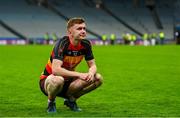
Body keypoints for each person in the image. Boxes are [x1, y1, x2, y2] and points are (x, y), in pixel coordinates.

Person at [39, 17, 103, 113]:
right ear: (70, 32)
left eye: (84, 28)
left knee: (98, 78)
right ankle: (51, 102)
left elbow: (93, 65)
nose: (83, 31)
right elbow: (56, 70)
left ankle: (71, 99)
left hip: (68, 82)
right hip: (49, 81)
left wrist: (90, 72)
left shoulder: (86, 44)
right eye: (79, 29)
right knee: (58, 79)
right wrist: (79, 74)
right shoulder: (62, 44)